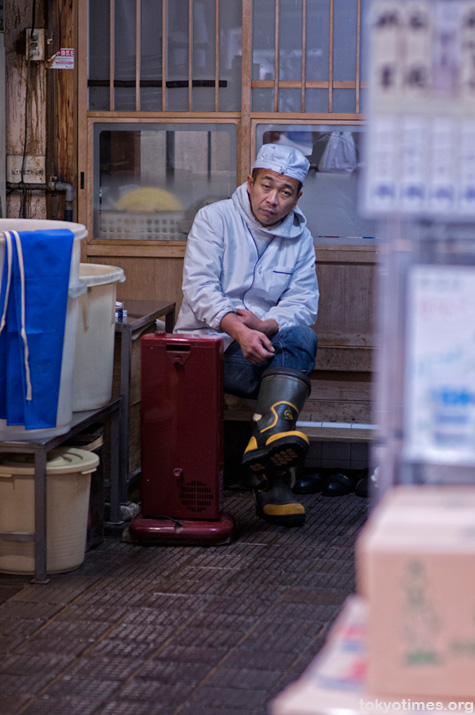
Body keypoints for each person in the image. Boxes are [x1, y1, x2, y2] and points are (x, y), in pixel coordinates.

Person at [174, 143, 319, 526]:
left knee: (302, 336)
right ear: (249, 182)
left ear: (297, 197)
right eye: (266, 185)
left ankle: (267, 442)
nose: (272, 199)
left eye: (285, 191)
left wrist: (264, 325)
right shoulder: (215, 218)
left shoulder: (300, 238)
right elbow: (199, 287)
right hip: (208, 350)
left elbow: (304, 302)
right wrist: (238, 329)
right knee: (294, 358)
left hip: (263, 349)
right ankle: (271, 477)